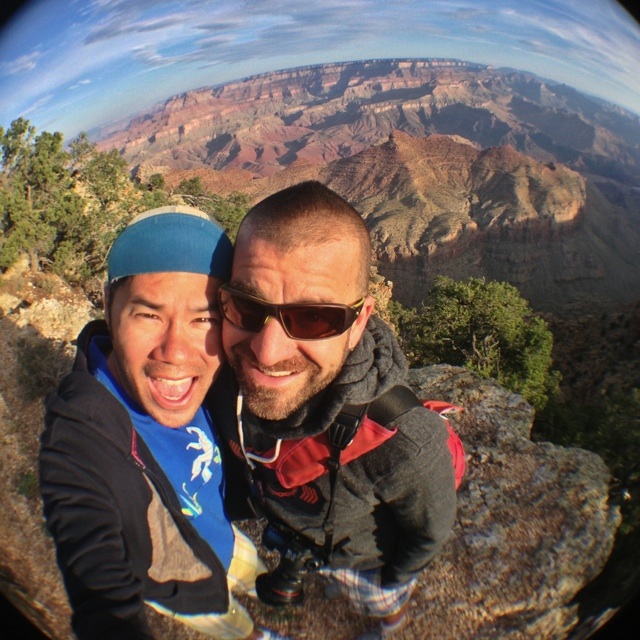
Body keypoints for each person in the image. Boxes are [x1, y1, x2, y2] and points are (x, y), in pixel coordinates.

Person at [212, 181, 458, 639]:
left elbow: (429, 533)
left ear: (359, 321)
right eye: (247, 305)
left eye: (314, 318)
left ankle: (387, 622)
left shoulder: (402, 441)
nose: (267, 352)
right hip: (291, 537)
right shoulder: (219, 378)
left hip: (364, 565)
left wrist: (393, 579)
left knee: (379, 612)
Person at [40, 206, 287, 640]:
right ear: (108, 304)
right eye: (149, 315)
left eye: (204, 319)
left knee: (248, 569)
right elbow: (91, 560)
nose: (175, 351)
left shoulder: (229, 367)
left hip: (225, 539)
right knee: (233, 627)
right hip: (180, 582)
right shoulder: (81, 434)